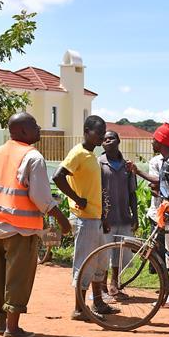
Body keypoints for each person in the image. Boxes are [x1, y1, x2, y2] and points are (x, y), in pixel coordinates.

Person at [0, 113, 72, 337]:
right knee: (18, 278)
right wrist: (63, 220)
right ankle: (13, 329)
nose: (39, 128)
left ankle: (0, 323)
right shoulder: (33, 157)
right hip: (20, 229)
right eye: (34, 125)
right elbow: (41, 197)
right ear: (21, 131)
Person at [52, 115, 119, 321]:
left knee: (100, 262)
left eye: (103, 132)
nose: (101, 136)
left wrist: (103, 217)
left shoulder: (92, 156)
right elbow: (58, 176)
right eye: (98, 133)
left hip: (96, 218)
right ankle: (79, 309)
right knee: (84, 263)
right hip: (85, 219)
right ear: (86, 131)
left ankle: (97, 302)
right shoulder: (78, 153)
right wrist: (76, 199)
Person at [129, 123, 169, 308]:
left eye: (154, 139)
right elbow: (164, 184)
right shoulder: (166, 160)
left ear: (161, 141)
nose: (151, 142)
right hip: (168, 216)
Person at [98, 131, 139, 298]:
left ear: (118, 141)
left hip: (123, 216)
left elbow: (132, 193)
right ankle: (101, 287)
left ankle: (115, 284)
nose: (108, 140)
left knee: (120, 253)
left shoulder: (127, 166)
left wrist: (135, 215)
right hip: (105, 218)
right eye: (105, 138)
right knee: (103, 253)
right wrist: (101, 215)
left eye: (111, 138)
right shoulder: (98, 163)